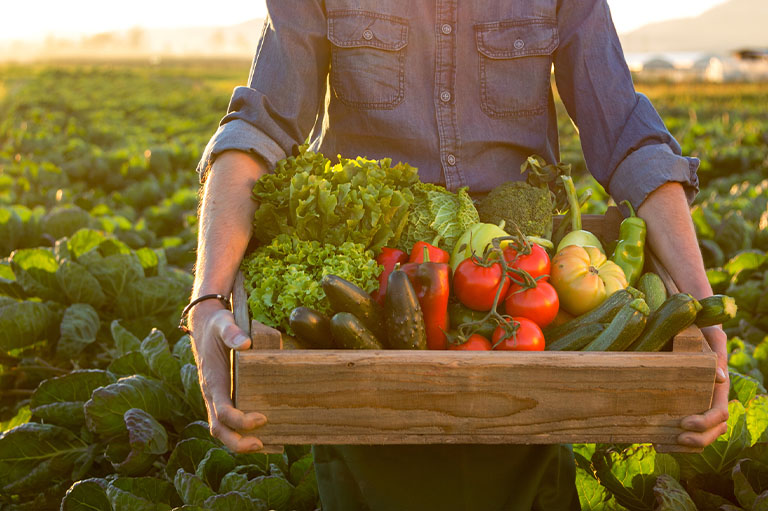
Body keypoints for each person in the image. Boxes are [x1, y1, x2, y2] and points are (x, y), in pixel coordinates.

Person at [187, 1, 730, 509]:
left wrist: (702, 314)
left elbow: (630, 139)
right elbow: (258, 126)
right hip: (371, 310)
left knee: (524, 471)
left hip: (521, 300)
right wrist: (207, 298)